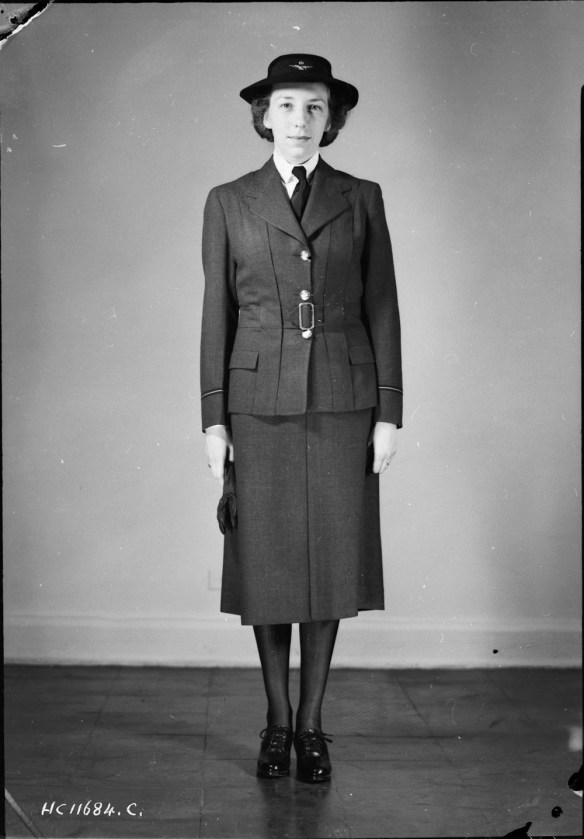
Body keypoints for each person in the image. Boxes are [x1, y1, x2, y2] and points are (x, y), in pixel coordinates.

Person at [200, 54, 402, 783]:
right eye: (286, 106)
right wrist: (213, 422)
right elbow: (214, 317)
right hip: (258, 406)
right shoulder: (229, 200)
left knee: (329, 565)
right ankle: (275, 721)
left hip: (346, 404)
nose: (299, 121)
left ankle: (313, 725)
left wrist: (391, 416)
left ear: (331, 119)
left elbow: (382, 305)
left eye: (314, 108)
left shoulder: (362, 196)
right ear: (264, 115)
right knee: (270, 566)